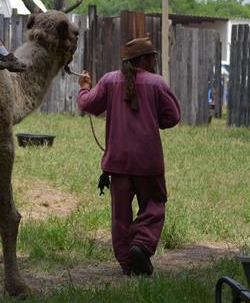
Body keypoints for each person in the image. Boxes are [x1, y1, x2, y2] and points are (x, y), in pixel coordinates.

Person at [76, 36, 181, 276]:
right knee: (154, 205)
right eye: (152, 57)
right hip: (148, 163)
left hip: (118, 163)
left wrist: (84, 87)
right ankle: (141, 245)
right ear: (143, 60)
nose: (155, 61)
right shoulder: (157, 83)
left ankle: (127, 265)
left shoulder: (109, 81)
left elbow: (87, 104)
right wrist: (152, 118)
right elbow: (173, 116)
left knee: (120, 217)